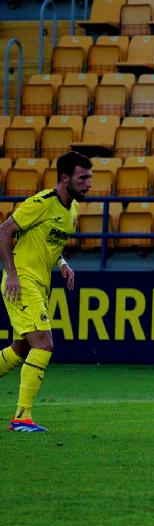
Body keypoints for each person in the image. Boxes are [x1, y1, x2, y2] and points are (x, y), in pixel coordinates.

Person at [1, 151, 91, 433]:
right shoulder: (41, 203)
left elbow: (51, 242)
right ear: (65, 178)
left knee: (20, 349)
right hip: (22, 281)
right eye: (83, 178)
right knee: (44, 343)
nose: (88, 184)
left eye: (89, 177)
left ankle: (22, 417)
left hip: (40, 284)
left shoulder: (72, 210)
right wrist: (12, 275)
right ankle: (21, 418)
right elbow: (4, 231)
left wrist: (63, 263)